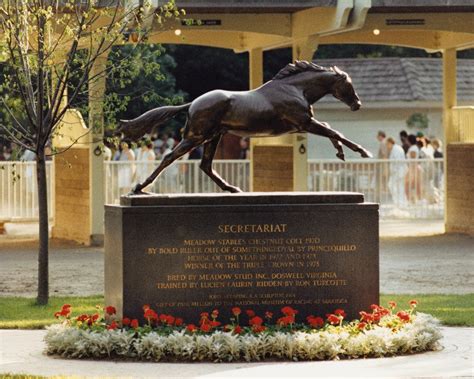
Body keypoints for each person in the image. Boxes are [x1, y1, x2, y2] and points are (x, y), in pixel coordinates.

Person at [386, 137, 407, 208]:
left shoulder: (396, 149)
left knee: (392, 185)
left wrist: (393, 170)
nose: (387, 146)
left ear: (390, 143)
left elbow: (397, 161)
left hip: (398, 171)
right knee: (399, 187)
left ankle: (399, 202)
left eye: (387, 144)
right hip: (399, 171)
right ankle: (401, 202)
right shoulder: (396, 148)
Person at [405, 134, 422, 203]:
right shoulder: (414, 147)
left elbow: (413, 160)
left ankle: (411, 200)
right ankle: (414, 200)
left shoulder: (413, 148)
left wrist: (411, 171)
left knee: (410, 184)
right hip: (413, 168)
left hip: (413, 168)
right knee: (414, 185)